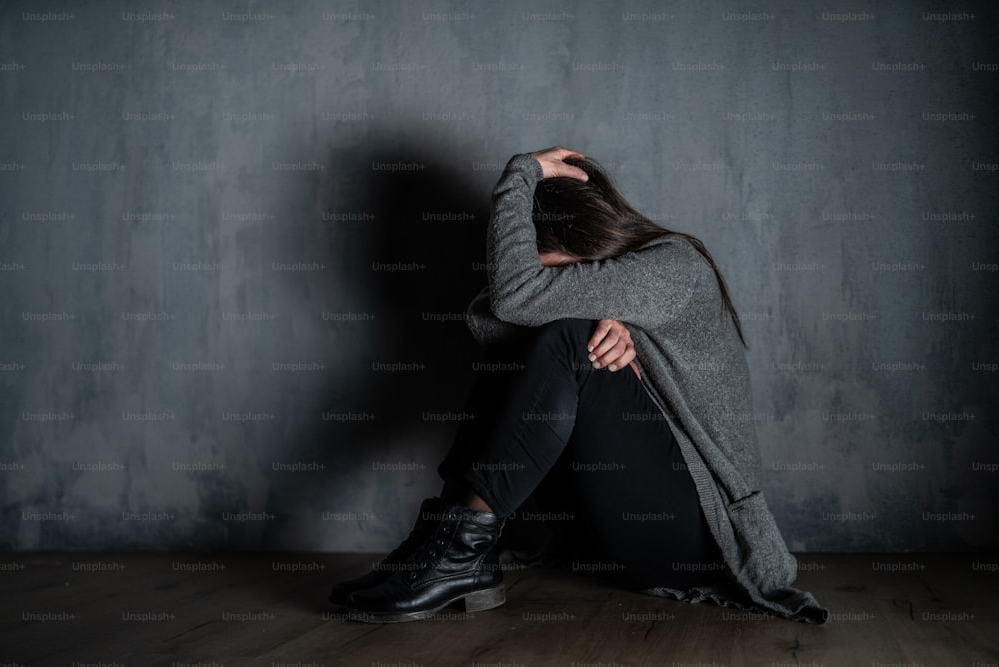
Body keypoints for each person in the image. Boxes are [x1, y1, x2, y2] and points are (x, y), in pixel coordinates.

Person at [329, 147, 829, 625]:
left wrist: (520, 175)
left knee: (567, 336)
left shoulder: (677, 266)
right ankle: (443, 541)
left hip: (693, 540)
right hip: (604, 530)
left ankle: (459, 554)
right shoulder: (618, 288)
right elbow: (488, 321)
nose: (551, 288)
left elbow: (513, 299)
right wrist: (593, 308)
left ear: (589, 240)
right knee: (535, 340)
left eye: (550, 268)